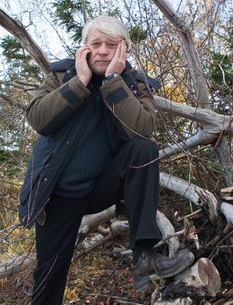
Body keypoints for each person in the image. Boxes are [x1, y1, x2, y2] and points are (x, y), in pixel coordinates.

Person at [19, 16, 193, 304]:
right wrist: (81, 81)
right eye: (95, 44)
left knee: (144, 149)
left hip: (101, 188)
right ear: (84, 48)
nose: (102, 51)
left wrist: (113, 81)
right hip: (57, 195)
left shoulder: (135, 84)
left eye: (111, 44)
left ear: (123, 48)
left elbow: (143, 129)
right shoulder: (62, 76)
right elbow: (39, 119)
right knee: (49, 277)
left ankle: (145, 257)